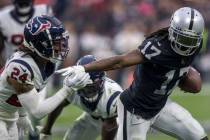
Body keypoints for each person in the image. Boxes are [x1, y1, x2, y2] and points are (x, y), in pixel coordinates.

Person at [57, 7, 208, 140]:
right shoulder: (157, 47)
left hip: (160, 106)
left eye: (190, 40)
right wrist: (85, 68)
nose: (185, 44)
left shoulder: (196, 45)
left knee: (198, 136)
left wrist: (184, 72)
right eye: (182, 38)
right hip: (135, 111)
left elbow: (179, 64)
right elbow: (120, 61)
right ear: (172, 31)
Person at [0, 15, 91, 140]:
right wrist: (67, 89)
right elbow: (37, 112)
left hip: (10, 115)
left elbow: (18, 94)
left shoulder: (45, 61)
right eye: (55, 43)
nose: (61, 47)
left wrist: (21, 115)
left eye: (62, 41)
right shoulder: (21, 66)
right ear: (39, 44)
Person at [40, 55, 123, 140]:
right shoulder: (73, 87)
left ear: (101, 81)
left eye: (91, 87)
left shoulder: (111, 95)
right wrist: (46, 130)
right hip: (93, 117)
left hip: (121, 121)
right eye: (84, 87)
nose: (88, 92)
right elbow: (58, 105)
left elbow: (110, 125)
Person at [0, 0, 53, 67]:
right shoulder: (2, 17)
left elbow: (53, 43)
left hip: (40, 69)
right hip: (12, 70)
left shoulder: (44, 11)